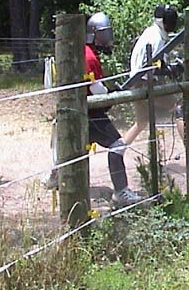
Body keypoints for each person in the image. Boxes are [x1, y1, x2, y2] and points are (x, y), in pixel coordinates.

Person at [46, 12, 142, 206]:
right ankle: (121, 192)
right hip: (90, 112)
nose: (107, 39)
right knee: (117, 145)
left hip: (83, 109)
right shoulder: (89, 56)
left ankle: (55, 177)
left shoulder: (86, 52)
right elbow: (96, 89)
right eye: (104, 34)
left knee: (77, 148)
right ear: (94, 35)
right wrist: (112, 94)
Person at [128, 4, 184, 146]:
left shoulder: (150, 32)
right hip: (144, 82)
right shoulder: (157, 38)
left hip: (135, 81)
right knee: (177, 108)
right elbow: (151, 66)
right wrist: (171, 70)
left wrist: (168, 68)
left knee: (141, 122)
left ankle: (117, 151)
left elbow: (155, 63)